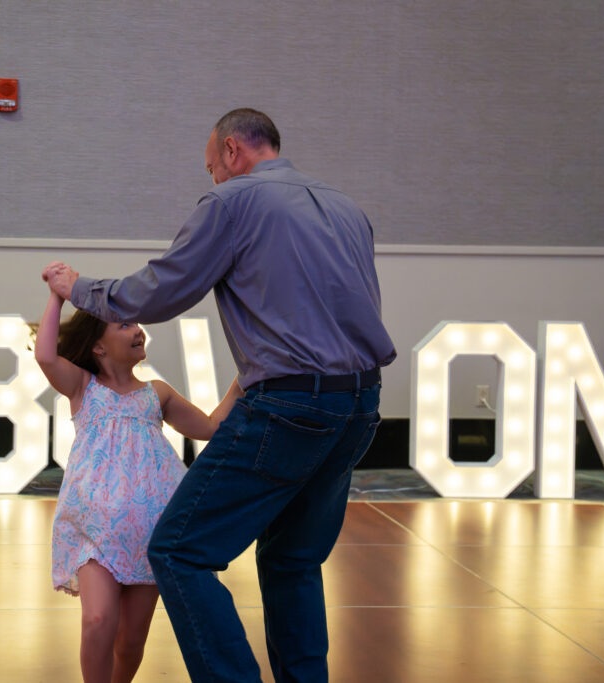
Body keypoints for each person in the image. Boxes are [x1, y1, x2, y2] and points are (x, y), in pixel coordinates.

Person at [43, 108, 396, 682]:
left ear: (232, 151)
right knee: (293, 560)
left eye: (212, 168)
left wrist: (77, 288)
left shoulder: (233, 202)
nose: (212, 181)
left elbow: (159, 290)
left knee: (179, 550)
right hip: (359, 406)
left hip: (289, 407)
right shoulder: (347, 209)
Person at [34, 283, 243, 683]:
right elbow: (45, 354)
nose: (137, 330)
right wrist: (57, 296)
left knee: (130, 641)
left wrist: (243, 379)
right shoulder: (83, 387)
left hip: (150, 531)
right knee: (98, 619)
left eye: (136, 323)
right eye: (124, 324)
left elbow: (211, 427)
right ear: (97, 346)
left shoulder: (156, 395)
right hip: (94, 529)